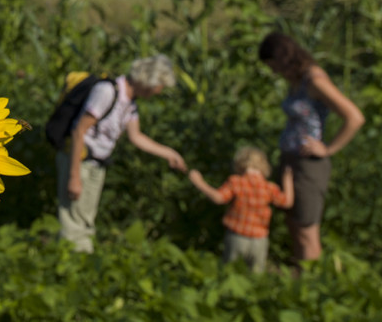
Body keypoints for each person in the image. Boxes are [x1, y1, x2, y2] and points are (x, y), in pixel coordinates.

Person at [56, 54, 188, 252]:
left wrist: (169, 153)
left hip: (96, 164)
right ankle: (72, 265)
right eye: (160, 85)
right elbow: (79, 131)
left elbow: (136, 137)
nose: (159, 91)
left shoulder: (129, 104)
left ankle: (78, 264)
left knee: (85, 218)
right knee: (74, 222)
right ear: (150, 80)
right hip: (80, 161)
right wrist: (74, 176)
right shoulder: (108, 92)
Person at [258, 32, 364, 262]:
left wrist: (328, 149)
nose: (274, 71)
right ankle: (300, 280)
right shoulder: (296, 80)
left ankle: (314, 286)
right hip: (291, 158)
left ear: (283, 58)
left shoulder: (314, 80)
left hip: (309, 164)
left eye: (274, 65)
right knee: (294, 223)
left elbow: (354, 117)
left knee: (306, 227)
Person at [189, 146, 293, 273]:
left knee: (230, 274)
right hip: (260, 240)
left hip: (237, 237)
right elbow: (287, 202)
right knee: (256, 277)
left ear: (239, 164)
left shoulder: (236, 182)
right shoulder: (269, 187)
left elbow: (219, 198)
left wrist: (199, 182)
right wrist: (288, 179)